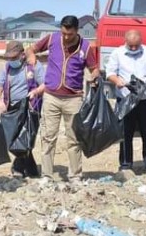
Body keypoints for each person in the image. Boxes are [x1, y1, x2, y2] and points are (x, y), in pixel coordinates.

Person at [26, 15, 99, 181]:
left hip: (74, 99)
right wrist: (32, 56)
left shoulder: (85, 47)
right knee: (48, 137)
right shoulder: (52, 38)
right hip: (51, 96)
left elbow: (93, 68)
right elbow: (31, 49)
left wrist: (94, 77)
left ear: (77, 31)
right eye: (64, 33)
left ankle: (75, 175)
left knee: (74, 139)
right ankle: (47, 175)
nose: (66, 37)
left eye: (70, 34)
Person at [105, 30, 146, 177]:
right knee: (125, 133)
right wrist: (117, 81)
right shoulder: (117, 53)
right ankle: (125, 165)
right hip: (126, 99)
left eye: (136, 46)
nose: (133, 49)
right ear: (125, 41)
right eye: (130, 46)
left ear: (140, 41)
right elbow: (110, 72)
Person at [0, 41, 46, 178]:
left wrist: (35, 92)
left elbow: (45, 84)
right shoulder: (6, 69)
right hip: (11, 109)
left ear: (22, 55)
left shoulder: (34, 66)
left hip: (30, 109)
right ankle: (30, 169)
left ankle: (19, 168)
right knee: (12, 139)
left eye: (14, 58)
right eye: (9, 58)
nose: (11, 60)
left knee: (27, 139)